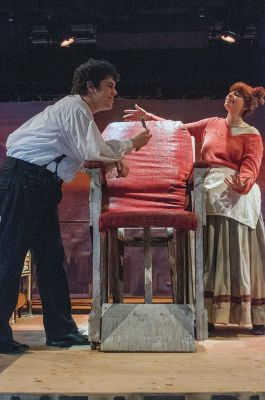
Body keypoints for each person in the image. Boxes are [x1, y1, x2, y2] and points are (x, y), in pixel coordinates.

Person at [0, 58, 151, 354]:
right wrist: (128, 148)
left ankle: (61, 331)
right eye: (109, 86)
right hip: (26, 180)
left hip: (39, 184)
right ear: (90, 86)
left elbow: (88, 150)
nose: (114, 93)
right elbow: (92, 150)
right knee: (10, 255)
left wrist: (120, 153)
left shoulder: (78, 114)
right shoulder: (75, 108)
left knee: (50, 258)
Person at [123, 82, 265, 335]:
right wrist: (150, 119)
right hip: (206, 185)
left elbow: (250, 167)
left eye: (238, 95)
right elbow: (177, 129)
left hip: (235, 189)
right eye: (230, 92)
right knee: (208, 236)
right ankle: (207, 311)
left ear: (247, 105)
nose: (231, 96)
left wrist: (242, 183)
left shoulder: (251, 134)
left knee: (232, 240)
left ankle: (249, 313)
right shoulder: (212, 123)